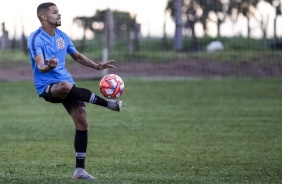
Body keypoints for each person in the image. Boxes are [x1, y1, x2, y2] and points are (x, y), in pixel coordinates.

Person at [27, 2, 122, 180]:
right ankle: (109, 104)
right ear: (44, 17)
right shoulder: (35, 38)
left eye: (59, 12)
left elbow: (77, 56)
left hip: (67, 83)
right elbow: (40, 66)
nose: (59, 15)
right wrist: (48, 66)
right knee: (64, 86)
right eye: (55, 12)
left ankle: (79, 171)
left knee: (82, 123)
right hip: (48, 87)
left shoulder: (62, 36)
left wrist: (97, 66)